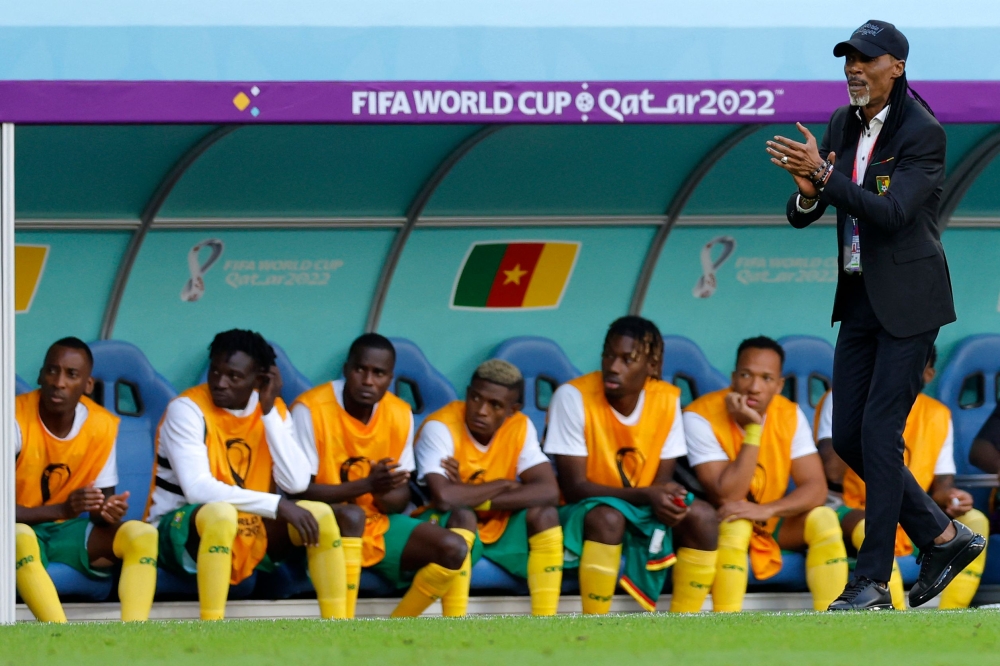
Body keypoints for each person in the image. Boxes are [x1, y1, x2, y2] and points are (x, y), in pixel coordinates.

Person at [769, 20, 985, 609]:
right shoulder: (842, 123)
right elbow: (808, 208)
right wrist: (809, 191)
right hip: (859, 295)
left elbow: (890, 214)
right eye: (848, 60)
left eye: (866, 59)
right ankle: (943, 536)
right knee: (848, 437)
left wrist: (824, 177)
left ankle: (870, 583)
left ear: (898, 66)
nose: (853, 70)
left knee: (880, 434)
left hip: (912, 301)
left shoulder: (925, 132)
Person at [146, 329, 346, 620]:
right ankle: (210, 626)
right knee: (220, 515)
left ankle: (339, 625)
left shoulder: (271, 410)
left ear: (259, 379)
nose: (219, 383)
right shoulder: (186, 410)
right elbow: (198, 489)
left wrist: (267, 413)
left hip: (248, 526)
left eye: (234, 377)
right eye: (215, 372)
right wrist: (277, 505)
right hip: (177, 530)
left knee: (320, 515)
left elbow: (297, 482)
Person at [544, 316, 719, 614]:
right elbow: (575, 489)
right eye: (609, 355)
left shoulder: (666, 400)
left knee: (702, 515)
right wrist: (650, 495)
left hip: (639, 506)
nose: (613, 366)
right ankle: (594, 623)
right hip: (584, 510)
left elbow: (659, 485)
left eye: (628, 359)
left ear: (652, 366)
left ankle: (686, 622)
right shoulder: (572, 397)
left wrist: (665, 499)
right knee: (608, 517)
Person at [293, 334, 468, 618]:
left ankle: (397, 626)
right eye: (361, 370)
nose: (368, 380)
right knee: (352, 516)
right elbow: (298, 491)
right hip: (322, 525)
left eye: (379, 373)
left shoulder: (399, 413)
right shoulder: (310, 409)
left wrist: (382, 491)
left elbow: (399, 501)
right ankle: (341, 629)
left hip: (377, 524)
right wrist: (366, 484)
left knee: (454, 548)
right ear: (347, 369)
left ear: (390, 378)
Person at [816, 348, 988, 609]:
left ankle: (950, 614)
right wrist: (863, 412)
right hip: (856, 506)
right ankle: (893, 611)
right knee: (870, 523)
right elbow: (832, 473)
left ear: (927, 374)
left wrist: (952, 498)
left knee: (976, 521)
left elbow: (942, 487)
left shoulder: (937, 414)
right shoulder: (841, 397)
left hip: (910, 514)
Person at [685, 336, 848, 612]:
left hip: (770, 521)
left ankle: (830, 621)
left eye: (766, 378)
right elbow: (728, 495)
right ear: (734, 377)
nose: (754, 387)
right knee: (737, 525)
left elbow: (816, 488)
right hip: (723, 521)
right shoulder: (699, 416)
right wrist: (753, 429)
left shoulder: (788, 414)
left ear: (779, 385)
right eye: (746, 375)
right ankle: (726, 624)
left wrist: (769, 510)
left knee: (824, 518)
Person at [14, 337, 158, 623]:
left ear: (88, 385)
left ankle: (137, 636)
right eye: (52, 371)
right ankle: (59, 634)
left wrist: (107, 512)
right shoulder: (13, 419)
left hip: (67, 531)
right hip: (20, 528)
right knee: (19, 538)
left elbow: (99, 510)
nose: (59, 382)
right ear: (41, 376)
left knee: (142, 535)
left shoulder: (101, 425)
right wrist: (62, 510)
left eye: (72, 374)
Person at [416, 359, 563, 616]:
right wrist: (502, 484)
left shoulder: (519, 426)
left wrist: (472, 495)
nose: (481, 410)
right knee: (463, 514)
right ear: (468, 393)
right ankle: (453, 625)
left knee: (546, 514)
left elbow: (548, 490)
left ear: (512, 410)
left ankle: (546, 623)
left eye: (495, 405)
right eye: (475, 398)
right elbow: (444, 498)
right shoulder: (440, 426)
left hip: (496, 521)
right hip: (442, 523)